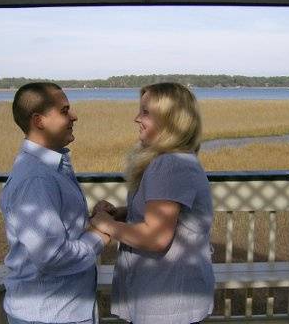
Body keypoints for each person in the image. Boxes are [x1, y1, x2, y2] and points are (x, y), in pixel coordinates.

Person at [91, 83, 215, 324]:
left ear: (169, 119)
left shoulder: (168, 165)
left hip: (165, 298)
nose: (137, 118)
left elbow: (155, 238)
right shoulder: (177, 159)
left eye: (145, 112)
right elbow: (170, 215)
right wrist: (122, 213)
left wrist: (104, 224)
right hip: (170, 293)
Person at [0, 82, 110, 324]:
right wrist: (99, 236)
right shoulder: (36, 178)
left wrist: (92, 221)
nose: (74, 116)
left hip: (59, 310)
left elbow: (57, 235)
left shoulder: (49, 168)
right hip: (50, 314)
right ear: (39, 121)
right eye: (64, 111)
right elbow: (52, 256)